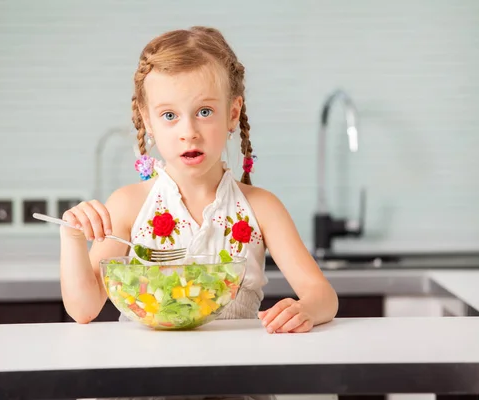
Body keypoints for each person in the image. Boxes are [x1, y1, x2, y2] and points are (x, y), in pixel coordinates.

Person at [59, 26, 338, 336]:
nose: (188, 131)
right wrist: (72, 237)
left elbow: (323, 296)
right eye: (169, 115)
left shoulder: (262, 208)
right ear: (147, 120)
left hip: (238, 374)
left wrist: (306, 309)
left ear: (233, 113)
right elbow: (84, 309)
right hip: (150, 374)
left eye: (204, 111)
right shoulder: (128, 205)